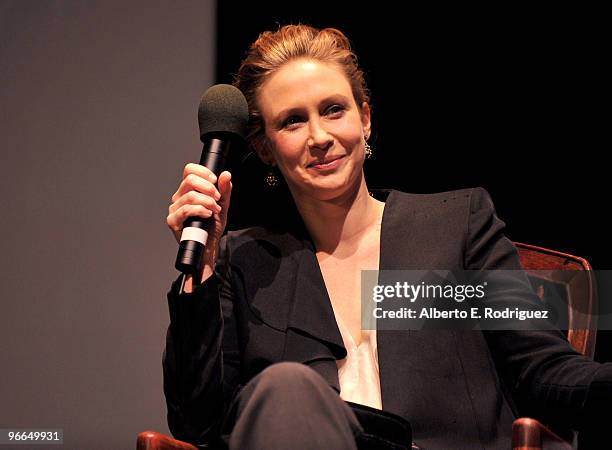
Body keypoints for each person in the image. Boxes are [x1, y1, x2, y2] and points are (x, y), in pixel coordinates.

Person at [163, 25, 611, 450]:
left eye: (334, 110)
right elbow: (196, 422)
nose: (320, 136)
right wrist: (200, 272)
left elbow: (542, 370)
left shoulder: (451, 231)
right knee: (286, 388)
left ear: (366, 118)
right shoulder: (248, 265)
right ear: (265, 148)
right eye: (293, 121)